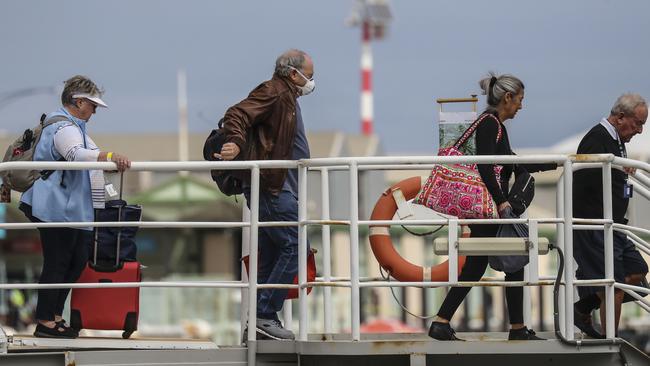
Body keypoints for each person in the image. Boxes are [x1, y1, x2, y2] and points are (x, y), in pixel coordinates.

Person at [428, 73, 556, 341]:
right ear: (507, 97)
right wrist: (502, 200)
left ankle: (442, 322)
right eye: (520, 99)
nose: (521, 106)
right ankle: (516, 329)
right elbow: (486, 166)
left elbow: (512, 164)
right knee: (512, 259)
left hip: (487, 209)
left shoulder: (495, 125)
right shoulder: (489, 124)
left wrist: (557, 163)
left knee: (482, 264)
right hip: (488, 208)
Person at [19, 75, 131, 338]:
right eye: (92, 105)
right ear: (78, 101)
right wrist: (109, 156)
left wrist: (105, 158)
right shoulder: (62, 128)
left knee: (75, 261)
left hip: (71, 209)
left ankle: (55, 317)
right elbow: (75, 155)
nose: (94, 111)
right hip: (55, 206)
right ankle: (46, 321)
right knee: (59, 262)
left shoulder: (75, 127)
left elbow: (85, 152)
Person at [218, 49, 315, 340]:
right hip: (273, 187)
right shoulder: (274, 91)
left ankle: (261, 322)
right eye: (309, 76)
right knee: (296, 246)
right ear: (292, 72)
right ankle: (262, 315)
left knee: (273, 252)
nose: (311, 82)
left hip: (280, 186)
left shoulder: (287, 96)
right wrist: (234, 142)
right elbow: (236, 113)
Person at [572, 93, 648, 338]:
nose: (639, 130)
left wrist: (620, 168)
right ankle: (610, 341)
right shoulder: (597, 138)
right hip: (596, 225)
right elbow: (582, 184)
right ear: (620, 117)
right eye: (637, 123)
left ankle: (583, 307)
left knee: (637, 273)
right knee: (613, 287)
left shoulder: (616, 141)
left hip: (613, 225)